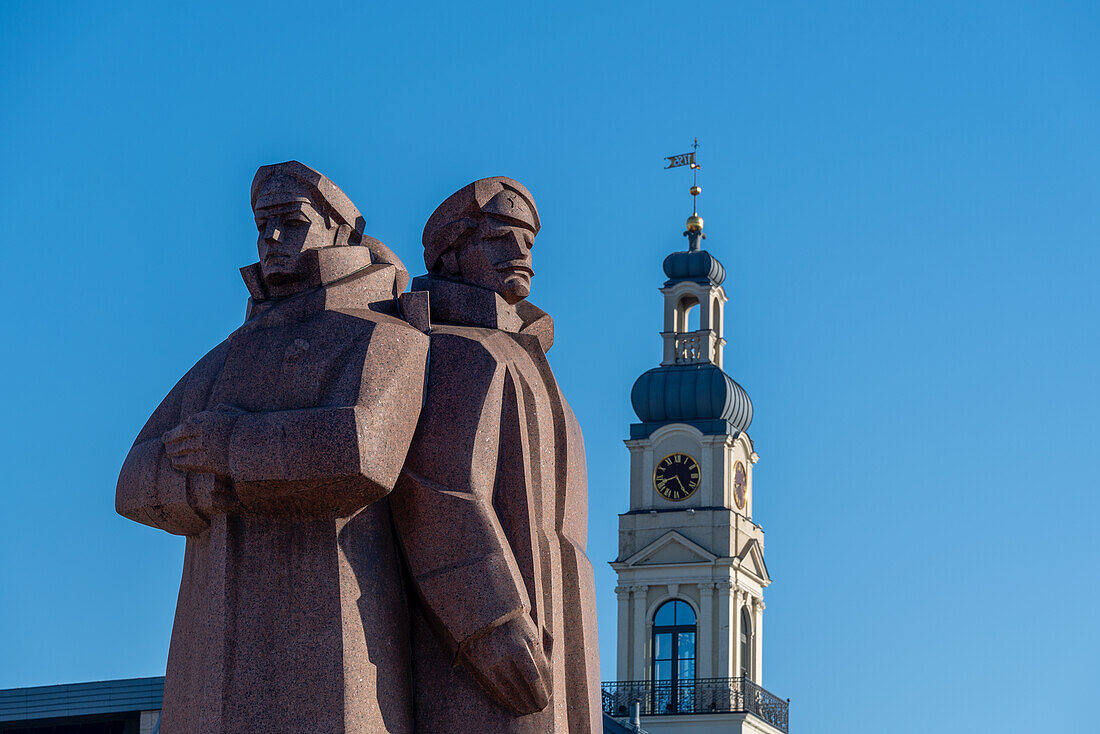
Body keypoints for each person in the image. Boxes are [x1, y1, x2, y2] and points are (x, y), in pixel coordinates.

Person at [116, 161, 427, 734]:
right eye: (263, 226)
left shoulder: (385, 337)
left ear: (342, 230)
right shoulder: (230, 353)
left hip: (334, 633)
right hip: (213, 651)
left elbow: (362, 452)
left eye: (291, 222)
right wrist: (211, 480)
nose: (274, 240)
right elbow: (133, 477)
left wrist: (231, 446)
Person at [390, 177, 602, 733]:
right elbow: (439, 490)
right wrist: (493, 621)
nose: (522, 254)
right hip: (500, 660)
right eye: (501, 239)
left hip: (558, 641)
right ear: (453, 256)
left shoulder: (529, 359)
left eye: (528, 241)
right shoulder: (462, 349)